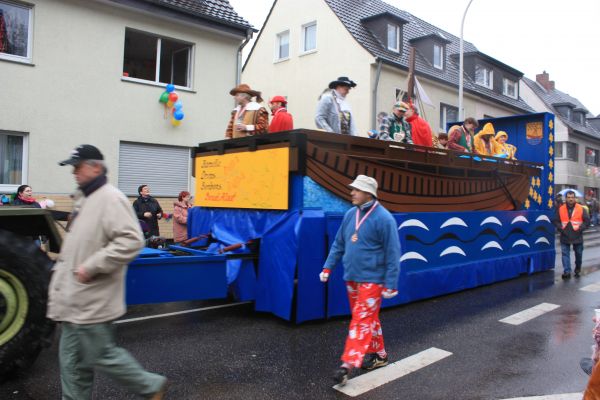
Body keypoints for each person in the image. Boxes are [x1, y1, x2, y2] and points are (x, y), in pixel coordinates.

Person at [48, 144, 167, 400]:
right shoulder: (85, 200)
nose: (74, 172)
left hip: (93, 299)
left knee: (101, 355)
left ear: (95, 168)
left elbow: (131, 241)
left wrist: (91, 267)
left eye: (77, 167)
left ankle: (150, 385)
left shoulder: (110, 199)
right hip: (73, 299)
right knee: (72, 364)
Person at [319, 175, 401, 385]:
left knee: (361, 321)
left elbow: (393, 253)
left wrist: (391, 283)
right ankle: (380, 355)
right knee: (368, 317)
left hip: (373, 280)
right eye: (353, 189)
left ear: (368, 193)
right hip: (352, 278)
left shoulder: (384, 219)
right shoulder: (350, 215)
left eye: (356, 189)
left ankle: (346, 365)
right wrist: (328, 266)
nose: (352, 192)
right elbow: (339, 243)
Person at [553, 190, 590, 279]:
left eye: (572, 197)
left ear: (575, 198)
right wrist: (560, 228)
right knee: (565, 254)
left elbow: (587, 221)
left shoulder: (581, 208)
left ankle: (578, 268)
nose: (570, 199)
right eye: (569, 197)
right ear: (566, 198)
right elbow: (555, 220)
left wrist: (580, 228)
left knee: (578, 254)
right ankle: (567, 271)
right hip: (565, 235)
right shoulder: (560, 209)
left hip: (577, 235)